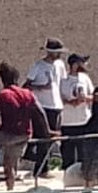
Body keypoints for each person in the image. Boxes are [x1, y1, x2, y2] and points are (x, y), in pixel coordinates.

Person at [0, 62, 44, 191]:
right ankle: (10, 186)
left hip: (8, 134)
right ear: (17, 78)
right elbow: (40, 112)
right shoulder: (27, 93)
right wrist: (47, 131)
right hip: (25, 134)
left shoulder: (0, 95)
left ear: (1, 78)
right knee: (10, 160)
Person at [25, 38, 67, 175]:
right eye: (57, 52)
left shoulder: (60, 65)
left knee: (51, 138)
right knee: (44, 137)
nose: (59, 55)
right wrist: (41, 87)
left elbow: (62, 82)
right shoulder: (38, 66)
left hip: (56, 105)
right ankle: (41, 168)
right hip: (42, 105)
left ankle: (43, 165)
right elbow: (27, 85)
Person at [58, 53, 94, 170]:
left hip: (83, 121)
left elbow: (93, 96)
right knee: (67, 155)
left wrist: (84, 99)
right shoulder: (63, 80)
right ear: (74, 64)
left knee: (84, 155)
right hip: (67, 122)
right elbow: (58, 98)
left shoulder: (85, 78)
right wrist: (70, 102)